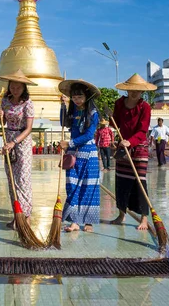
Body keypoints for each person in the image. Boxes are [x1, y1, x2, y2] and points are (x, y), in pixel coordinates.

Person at [108, 74, 155, 231]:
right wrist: (110, 119)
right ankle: (121, 215)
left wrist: (131, 142)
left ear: (142, 91)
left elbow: (143, 130)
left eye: (138, 90)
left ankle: (143, 218)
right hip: (123, 145)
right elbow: (115, 123)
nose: (134, 93)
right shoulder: (119, 103)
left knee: (140, 182)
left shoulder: (145, 107)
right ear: (127, 90)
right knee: (122, 181)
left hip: (139, 147)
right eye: (132, 90)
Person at [58, 79, 101, 233]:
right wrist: (63, 106)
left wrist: (69, 143)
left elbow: (89, 134)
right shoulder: (72, 110)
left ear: (87, 96)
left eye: (80, 97)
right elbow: (64, 123)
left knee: (89, 187)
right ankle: (75, 221)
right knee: (72, 185)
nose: (77, 100)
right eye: (74, 97)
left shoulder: (93, 113)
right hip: (73, 154)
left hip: (88, 153)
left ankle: (88, 221)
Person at [0, 69, 36, 229]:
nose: (15, 90)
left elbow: (29, 128)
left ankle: (26, 216)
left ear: (24, 88)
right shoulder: (5, 101)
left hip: (22, 141)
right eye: (12, 86)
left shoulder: (28, 103)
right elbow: (3, 123)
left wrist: (14, 142)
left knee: (23, 180)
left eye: (18, 87)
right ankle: (16, 215)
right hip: (8, 140)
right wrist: (1, 116)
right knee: (11, 180)